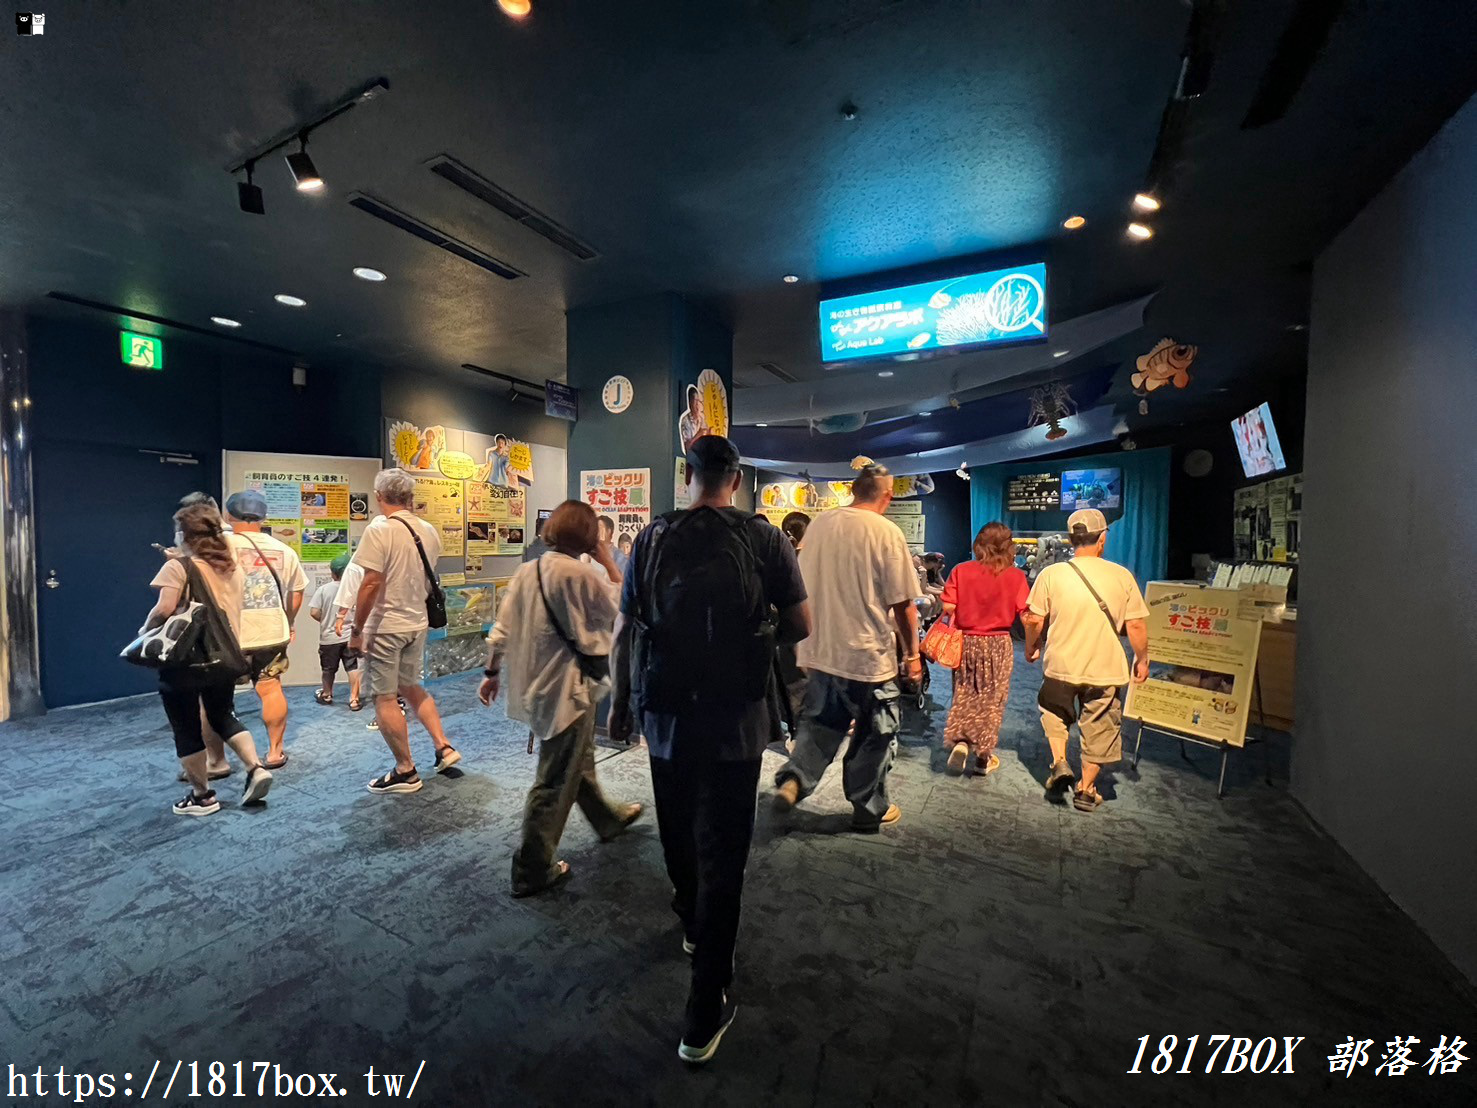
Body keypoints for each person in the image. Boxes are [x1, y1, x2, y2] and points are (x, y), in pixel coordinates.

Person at [610, 435, 809, 1065]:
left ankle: (691, 923)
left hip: (666, 710)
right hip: (740, 717)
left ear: (687, 474)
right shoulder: (766, 537)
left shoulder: (652, 536)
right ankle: (704, 1007)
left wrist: (621, 703)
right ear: (738, 476)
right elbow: (801, 625)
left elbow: (626, 628)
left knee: (677, 830)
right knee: (726, 849)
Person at [479, 500, 643, 897]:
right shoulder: (582, 574)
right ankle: (531, 869)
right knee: (554, 778)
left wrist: (491, 672)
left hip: (537, 685)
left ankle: (607, 818)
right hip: (568, 689)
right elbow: (623, 608)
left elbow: (501, 629)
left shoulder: (526, 570)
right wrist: (606, 556)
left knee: (576, 756)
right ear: (590, 535)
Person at [773, 463, 919, 830]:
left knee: (820, 724)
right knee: (875, 734)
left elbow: (799, 586)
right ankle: (868, 809)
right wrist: (913, 656)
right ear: (886, 496)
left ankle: (794, 779)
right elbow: (904, 604)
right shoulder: (886, 532)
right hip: (868, 656)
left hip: (821, 649)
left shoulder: (820, 524)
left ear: (853, 490)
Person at [144, 498, 273, 816]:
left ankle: (202, 796)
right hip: (224, 654)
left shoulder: (177, 567)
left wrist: (144, 632)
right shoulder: (229, 566)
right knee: (223, 714)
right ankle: (256, 767)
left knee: (185, 726)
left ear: (184, 534)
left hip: (186, 660)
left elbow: (164, 608)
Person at [1020, 508, 1150, 812]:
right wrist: (1143, 659)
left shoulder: (1051, 574)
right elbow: (1137, 626)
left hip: (1061, 663)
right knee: (1101, 723)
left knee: (1053, 711)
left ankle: (1060, 761)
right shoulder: (1121, 576)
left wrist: (1031, 646)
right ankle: (1086, 789)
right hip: (1104, 667)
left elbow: (1033, 620)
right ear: (1102, 538)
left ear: (1070, 539)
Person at [349, 469, 462, 794]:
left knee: (385, 697)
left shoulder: (379, 530)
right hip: (416, 623)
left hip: (386, 626)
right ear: (410, 498)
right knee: (412, 686)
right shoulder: (427, 530)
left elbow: (371, 582)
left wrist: (357, 629)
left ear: (378, 496)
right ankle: (444, 746)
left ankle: (405, 770)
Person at [223, 490, 308, 770]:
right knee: (271, 689)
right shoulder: (283, 550)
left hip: (228, 633)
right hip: (271, 631)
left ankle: (216, 759)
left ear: (229, 515)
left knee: (215, 694)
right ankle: (274, 752)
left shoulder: (220, 545)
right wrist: (290, 620)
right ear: (263, 517)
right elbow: (297, 592)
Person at [940, 523, 1029, 776]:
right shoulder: (1016, 576)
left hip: (966, 641)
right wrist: (1034, 644)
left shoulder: (961, 570)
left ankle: (960, 742)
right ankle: (983, 758)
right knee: (993, 699)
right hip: (999, 643)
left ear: (979, 544)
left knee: (965, 692)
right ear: (1008, 546)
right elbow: (1027, 615)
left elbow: (948, 606)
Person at [311, 553, 362, 710]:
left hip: (329, 638)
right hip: (349, 637)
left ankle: (327, 694)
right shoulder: (356, 590)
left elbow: (313, 612)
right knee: (352, 667)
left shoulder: (323, 590)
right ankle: (354, 699)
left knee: (328, 669)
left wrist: (326, 621)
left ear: (333, 572)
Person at [678, 384, 706, 452]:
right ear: (690, 403)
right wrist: (699, 434)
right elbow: (687, 448)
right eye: (695, 401)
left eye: (698, 401)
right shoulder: (685, 421)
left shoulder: (701, 420)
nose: (697, 405)